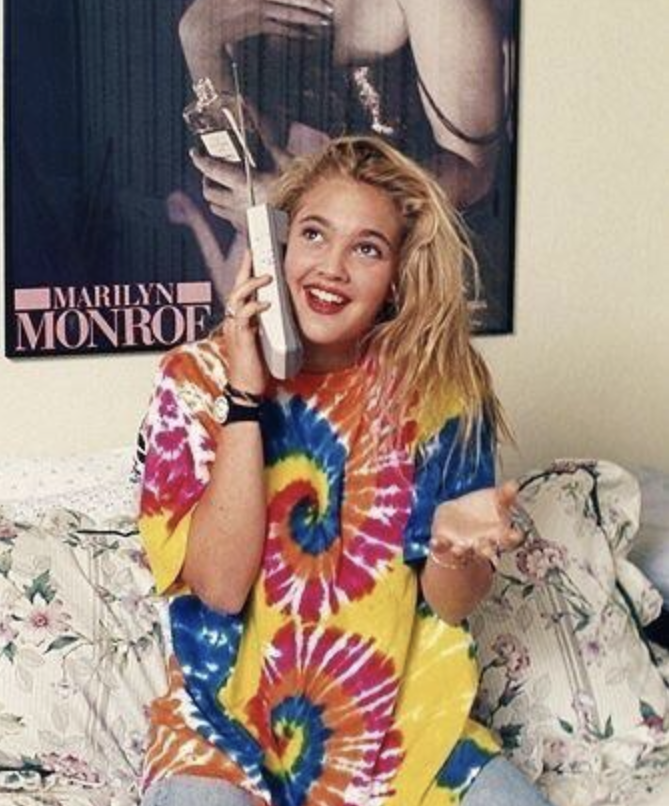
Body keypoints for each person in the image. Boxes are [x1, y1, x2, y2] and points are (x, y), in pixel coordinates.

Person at [136, 137, 552, 806]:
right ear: (275, 246)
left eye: (367, 248)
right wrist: (245, 397)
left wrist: (454, 550)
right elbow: (217, 586)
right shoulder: (193, 380)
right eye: (313, 234)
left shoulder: (442, 389)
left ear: (397, 275)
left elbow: (452, 599)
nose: (331, 268)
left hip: (406, 734)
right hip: (222, 739)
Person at [173, 0, 513, 328]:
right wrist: (201, 44)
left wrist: (304, 206)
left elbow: (473, 174)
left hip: (423, 283)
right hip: (309, 275)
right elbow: (246, 156)